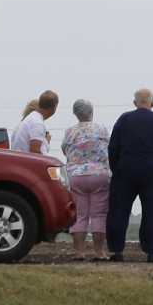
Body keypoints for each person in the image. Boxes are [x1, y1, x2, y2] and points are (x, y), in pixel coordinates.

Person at [105, 88, 153, 263]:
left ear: (135, 103)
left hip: (125, 171)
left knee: (119, 211)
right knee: (151, 212)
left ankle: (116, 251)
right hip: (151, 172)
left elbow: (113, 148)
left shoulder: (124, 119)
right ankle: (151, 251)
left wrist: (116, 169)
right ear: (152, 103)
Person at [62, 98, 112, 257]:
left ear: (75, 114)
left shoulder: (70, 132)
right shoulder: (102, 129)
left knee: (80, 215)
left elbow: (65, 150)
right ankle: (99, 251)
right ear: (91, 112)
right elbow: (109, 148)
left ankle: (79, 252)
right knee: (99, 214)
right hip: (99, 175)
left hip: (76, 176)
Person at [10, 91, 59, 155]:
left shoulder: (30, 119)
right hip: (27, 163)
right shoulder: (37, 123)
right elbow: (35, 153)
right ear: (54, 107)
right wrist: (46, 143)